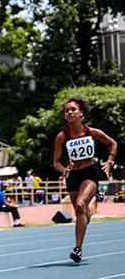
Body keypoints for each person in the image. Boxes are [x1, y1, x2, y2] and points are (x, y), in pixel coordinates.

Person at [53, 97, 117, 263]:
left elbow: (113, 143)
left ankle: (78, 249)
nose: (70, 112)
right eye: (66, 110)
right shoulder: (62, 137)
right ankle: (91, 206)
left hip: (89, 173)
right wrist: (64, 169)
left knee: (80, 205)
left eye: (73, 109)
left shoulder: (92, 133)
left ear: (81, 113)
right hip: (73, 176)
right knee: (83, 213)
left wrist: (110, 161)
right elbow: (56, 162)